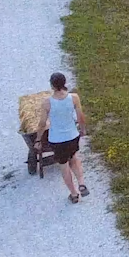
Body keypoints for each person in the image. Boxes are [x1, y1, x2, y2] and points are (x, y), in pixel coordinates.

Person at [45, 72, 89, 203]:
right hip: (72, 136)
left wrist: (38, 139)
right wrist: (83, 130)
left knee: (64, 166)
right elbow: (80, 116)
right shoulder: (74, 97)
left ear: (52, 86)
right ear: (64, 83)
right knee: (74, 158)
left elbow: (42, 123)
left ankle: (74, 194)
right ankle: (81, 182)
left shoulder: (47, 102)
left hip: (57, 140)